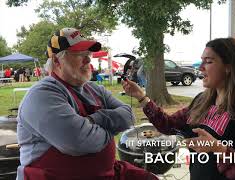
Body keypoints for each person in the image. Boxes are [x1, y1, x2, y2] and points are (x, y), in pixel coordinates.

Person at [122, 38, 235, 180]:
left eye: (209, 61)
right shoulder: (202, 101)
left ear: (228, 67)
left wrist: (218, 148)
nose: (201, 67)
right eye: (201, 61)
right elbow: (168, 124)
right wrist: (141, 97)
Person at [17, 27, 158, 180]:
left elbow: (128, 116)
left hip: (107, 173)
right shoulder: (42, 95)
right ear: (57, 61)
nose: (89, 59)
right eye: (79, 54)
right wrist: (111, 128)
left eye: (88, 54)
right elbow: (79, 142)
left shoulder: (95, 89)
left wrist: (94, 120)